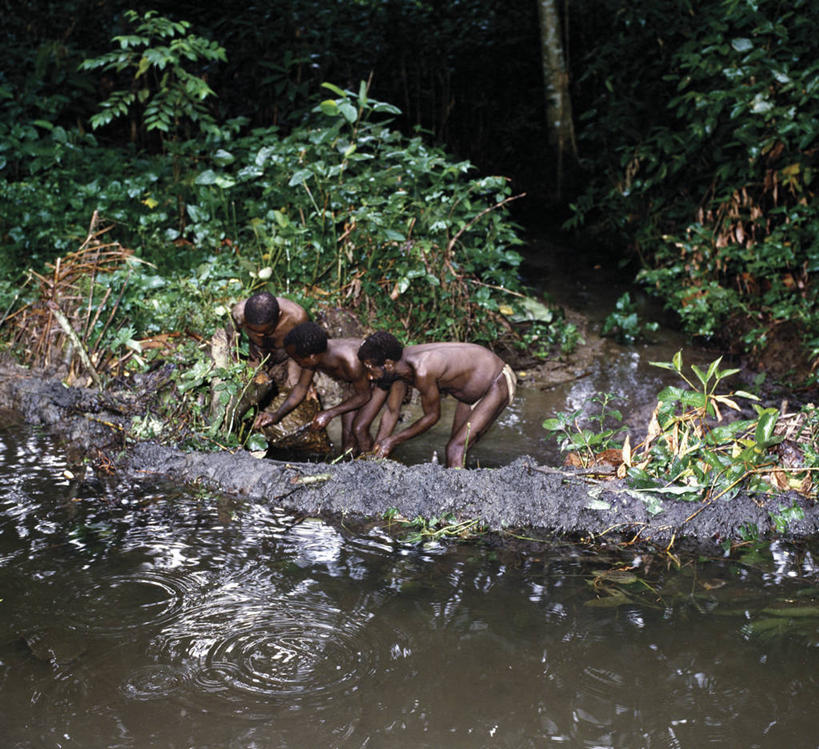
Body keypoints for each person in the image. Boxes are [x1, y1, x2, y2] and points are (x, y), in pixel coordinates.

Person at [357, 331, 516, 468]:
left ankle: (462, 501)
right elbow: (392, 412)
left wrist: (393, 440)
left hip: (497, 383)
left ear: (388, 364)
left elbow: (432, 417)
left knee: (455, 449)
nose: (370, 377)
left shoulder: (422, 370)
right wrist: (376, 451)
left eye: (371, 368)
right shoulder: (400, 370)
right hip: (470, 395)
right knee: (454, 452)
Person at [254, 322, 384, 455]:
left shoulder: (351, 362)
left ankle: (373, 467)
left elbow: (364, 396)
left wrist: (330, 413)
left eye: (298, 360)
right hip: (354, 385)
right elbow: (301, 388)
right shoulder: (314, 357)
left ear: (311, 357)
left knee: (359, 429)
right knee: (347, 444)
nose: (297, 363)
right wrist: (276, 415)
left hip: (378, 383)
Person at [231, 290, 309, 386]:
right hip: (257, 353)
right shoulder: (239, 314)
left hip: (288, 354)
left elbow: (306, 351)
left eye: (266, 331)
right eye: (254, 331)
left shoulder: (297, 318)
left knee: (294, 385)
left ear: (279, 315)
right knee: (248, 383)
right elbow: (231, 342)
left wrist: (306, 382)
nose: (260, 336)